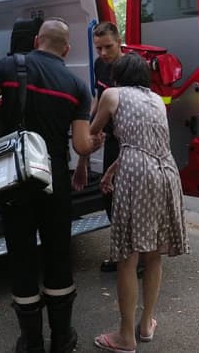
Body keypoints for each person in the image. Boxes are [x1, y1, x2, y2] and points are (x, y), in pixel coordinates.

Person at [0, 18, 100, 353]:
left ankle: (30, 342)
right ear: (67, 49)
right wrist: (97, 141)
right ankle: (62, 338)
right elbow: (82, 146)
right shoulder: (77, 85)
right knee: (57, 253)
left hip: (14, 177)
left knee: (22, 255)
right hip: (54, 177)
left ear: (38, 39)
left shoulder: (8, 66)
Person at [90, 53, 189, 353]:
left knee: (128, 256)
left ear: (117, 76)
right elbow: (147, 144)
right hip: (167, 173)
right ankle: (146, 324)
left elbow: (94, 131)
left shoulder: (111, 94)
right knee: (153, 253)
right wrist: (112, 169)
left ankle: (125, 337)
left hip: (137, 176)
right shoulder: (157, 99)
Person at [71, 22, 126, 273]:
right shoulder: (100, 65)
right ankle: (120, 252)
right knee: (110, 197)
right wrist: (89, 123)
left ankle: (138, 258)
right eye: (98, 48)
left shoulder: (130, 68)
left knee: (128, 200)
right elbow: (97, 98)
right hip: (111, 137)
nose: (103, 53)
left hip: (130, 139)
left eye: (108, 47)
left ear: (119, 41)